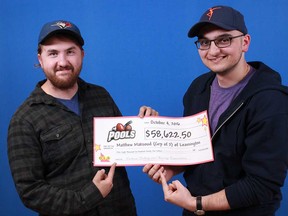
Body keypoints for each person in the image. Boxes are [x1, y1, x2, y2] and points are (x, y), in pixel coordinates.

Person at [143, 5, 288, 216]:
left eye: (224, 39)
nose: (212, 51)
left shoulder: (272, 102)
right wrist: (171, 168)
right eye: (204, 42)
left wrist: (196, 203)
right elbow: (197, 150)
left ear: (245, 42)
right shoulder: (198, 88)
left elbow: (262, 186)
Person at [7, 20, 157, 216]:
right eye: (53, 53)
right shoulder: (24, 119)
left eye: (70, 51)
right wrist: (89, 195)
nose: (63, 62)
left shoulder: (101, 96)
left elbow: (127, 147)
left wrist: (148, 126)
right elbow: (30, 191)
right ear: (40, 59)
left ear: (82, 55)